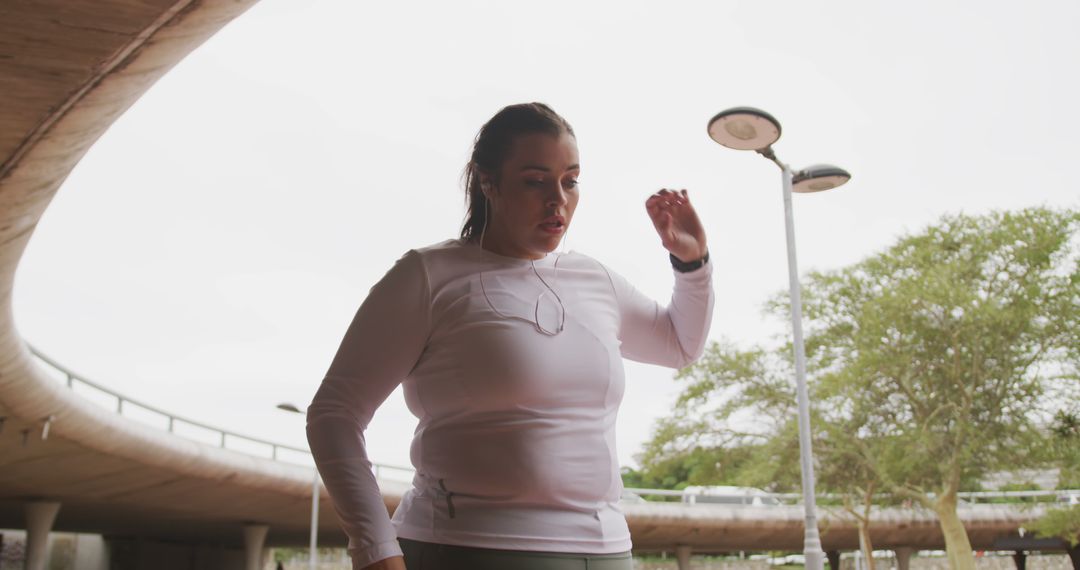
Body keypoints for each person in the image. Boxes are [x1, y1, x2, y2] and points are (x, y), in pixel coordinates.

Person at [306, 102, 714, 570]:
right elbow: (334, 415)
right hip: (467, 549)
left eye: (570, 180)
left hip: (607, 552)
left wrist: (692, 262)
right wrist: (375, 551)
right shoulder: (429, 275)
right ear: (488, 182)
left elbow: (680, 345)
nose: (557, 199)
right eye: (535, 181)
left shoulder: (595, 279)